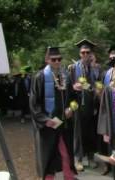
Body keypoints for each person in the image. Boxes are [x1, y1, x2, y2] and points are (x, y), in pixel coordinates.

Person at [30, 47, 76, 180]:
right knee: (48, 155)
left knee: (65, 152)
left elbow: (75, 98)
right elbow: (34, 104)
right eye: (53, 59)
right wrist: (45, 120)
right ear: (47, 60)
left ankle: (69, 176)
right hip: (49, 125)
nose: (57, 61)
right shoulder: (39, 77)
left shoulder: (65, 76)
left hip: (64, 124)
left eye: (59, 59)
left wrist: (71, 109)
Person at [68, 39, 100, 171]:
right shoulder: (72, 68)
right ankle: (78, 159)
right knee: (78, 133)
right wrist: (73, 86)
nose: (85, 54)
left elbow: (99, 85)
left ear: (91, 53)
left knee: (90, 132)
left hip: (91, 105)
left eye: (87, 52)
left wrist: (96, 89)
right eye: (83, 52)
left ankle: (91, 157)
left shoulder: (96, 69)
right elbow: (66, 87)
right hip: (77, 105)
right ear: (79, 53)